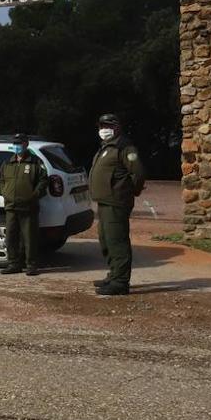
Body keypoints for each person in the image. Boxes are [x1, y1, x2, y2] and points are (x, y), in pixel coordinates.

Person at [89, 113, 146, 296]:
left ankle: (120, 282)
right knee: (106, 240)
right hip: (105, 202)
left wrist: (130, 192)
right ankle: (114, 274)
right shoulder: (107, 147)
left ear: (117, 127)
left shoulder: (124, 147)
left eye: (107, 125)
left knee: (117, 241)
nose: (103, 129)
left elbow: (137, 174)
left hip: (116, 202)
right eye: (101, 126)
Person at [0, 133, 48, 276]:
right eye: (15, 144)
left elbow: (44, 181)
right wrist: (4, 192)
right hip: (11, 207)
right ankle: (14, 264)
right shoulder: (8, 163)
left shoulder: (35, 162)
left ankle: (31, 265)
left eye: (20, 143)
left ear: (26, 144)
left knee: (29, 238)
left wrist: (34, 195)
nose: (17, 146)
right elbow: (1, 179)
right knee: (11, 237)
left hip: (29, 207)